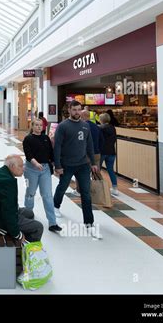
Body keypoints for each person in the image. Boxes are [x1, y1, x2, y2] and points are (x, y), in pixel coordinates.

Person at [53, 100, 102, 239]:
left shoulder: (85, 126)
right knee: (62, 186)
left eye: (79, 110)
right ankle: (56, 206)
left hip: (83, 165)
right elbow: (57, 147)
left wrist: (93, 162)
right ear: (69, 110)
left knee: (86, 193)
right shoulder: (63, 126)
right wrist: (57, 166)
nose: (77, 112)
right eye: (74, 110)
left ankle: (89, 222)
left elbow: (90, 146)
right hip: (67, 164)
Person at [0, 155, 44, 242]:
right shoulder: (7, 181)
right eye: (21, 166)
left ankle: (23, 231)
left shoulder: (1, 172)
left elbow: (8, 204)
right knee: (38, 227)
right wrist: (17, 235)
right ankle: (27, 246)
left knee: (29, 213)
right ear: (12, 166)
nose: (24, 168)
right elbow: (8, 212)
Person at [23, 119, 61, 232]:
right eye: (37, 125)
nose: (39, 127)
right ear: (32, 126)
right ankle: (27, 215)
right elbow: (28, 154)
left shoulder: (46, 138)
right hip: (30, 169)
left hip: (45, 170)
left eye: (41, 125)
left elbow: (51, 153)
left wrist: (56, 166)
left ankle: (52, 223)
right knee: (30, 193)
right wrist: (36, 163)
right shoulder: (28, 139)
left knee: (47, 195)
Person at [73, 110, 105, 196]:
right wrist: (98, 150)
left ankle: (79, 190)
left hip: (84, 154)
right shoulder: (96, 127)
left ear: (82, 116)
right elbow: (102, 140)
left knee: (81, 172)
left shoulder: (81, 127)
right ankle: (100, 191)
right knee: (96, 172)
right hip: (96, 153)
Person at [99, 113, 119, 196]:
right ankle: (115, 188)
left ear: (101, 120)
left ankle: (98, 187)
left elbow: (98, 139)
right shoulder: (113, 128)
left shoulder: (100, 128)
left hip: (102, 151)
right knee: (110, 170)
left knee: (97, 169)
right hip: (111, 151)